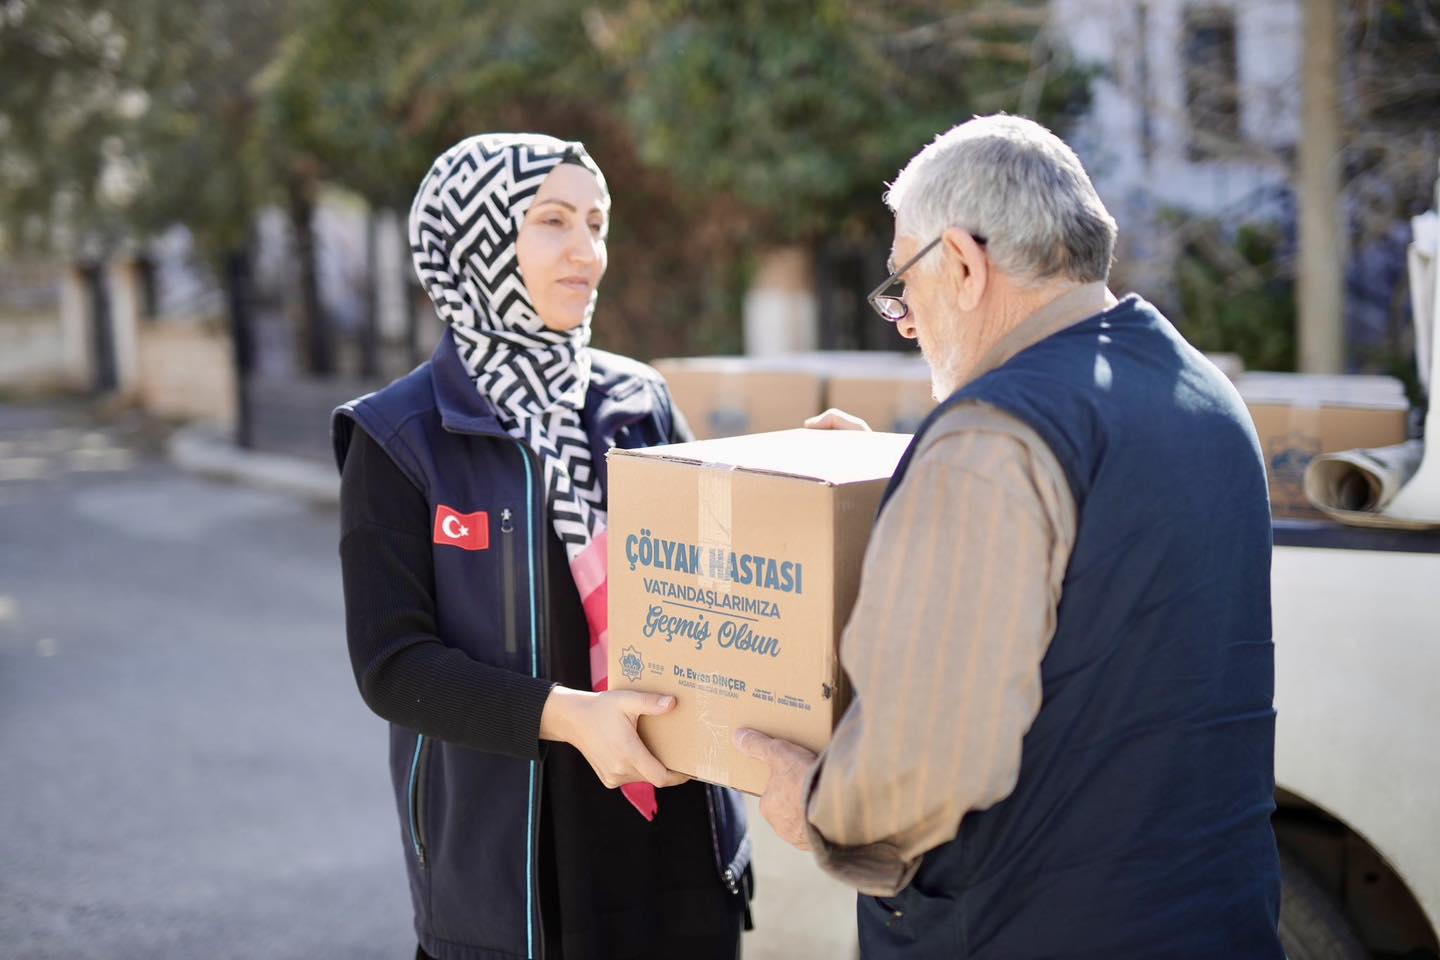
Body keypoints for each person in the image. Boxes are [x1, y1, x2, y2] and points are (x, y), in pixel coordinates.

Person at [737, 114, 1284, 959]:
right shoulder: (1202, 393)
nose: (905, 320)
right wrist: (914, 468)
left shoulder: (989, 441)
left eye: (902, 284)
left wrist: (808, 801)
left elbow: (916, 770)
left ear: (960, 263)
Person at [333, 133, 751, 960]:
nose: (588, 253)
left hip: (675, 834)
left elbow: (716, 583)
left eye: (597, 224)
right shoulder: (401, 437)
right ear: (474, 239)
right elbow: (393, 665)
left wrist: (786, 484)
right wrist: (575, 719)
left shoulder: (638, 401)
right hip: (518, 878)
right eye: (553, 221)